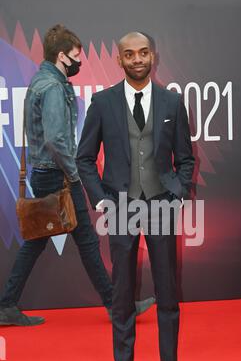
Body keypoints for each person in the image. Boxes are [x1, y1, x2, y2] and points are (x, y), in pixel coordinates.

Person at [0, 25, 154, 327]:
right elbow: (57, 140)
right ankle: (116, 306)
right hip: (58, 176)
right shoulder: (54, 87)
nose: (77, 63)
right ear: (61, 56)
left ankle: (8, 304)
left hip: (48, 174)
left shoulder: (41, 81)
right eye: (74, 57)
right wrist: (74, 176)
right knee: (78, 242)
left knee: (53, 241)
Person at [77, 32, 195, 361]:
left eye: (143, 52)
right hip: (122, 206)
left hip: (161, 204)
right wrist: (101, 200)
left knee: (167, 290)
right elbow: (84, 159)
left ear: (153, 56)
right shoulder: (102, 102)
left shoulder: (172, 103)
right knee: (123, 292)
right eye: (130, 54)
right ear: (120, 60)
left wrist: (174, 195)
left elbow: (186, 160)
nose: (138, 59)